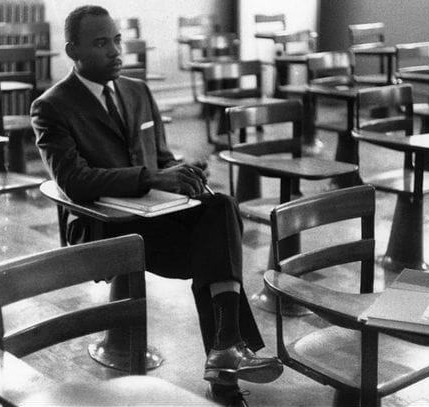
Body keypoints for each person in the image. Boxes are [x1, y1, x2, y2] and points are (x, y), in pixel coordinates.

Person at [31, 5, 282, 405]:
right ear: (72, 50)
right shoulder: (52, 106)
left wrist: (182, 173)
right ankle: (226, 360)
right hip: (103, 226)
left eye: (117, 40)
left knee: (219, 207)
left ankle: (225, 348)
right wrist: (151, 178)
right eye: (100, 43)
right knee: (215, 245)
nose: (115, 51)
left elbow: (161, 159)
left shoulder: (137, 91)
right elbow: (74, 182)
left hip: (153, 218)